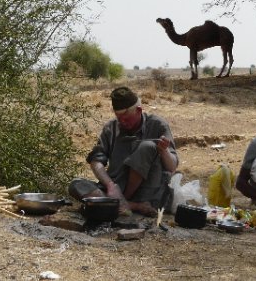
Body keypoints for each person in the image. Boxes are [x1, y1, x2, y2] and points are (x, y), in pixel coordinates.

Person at [68, 86, 178, 217]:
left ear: (139, 110)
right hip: (116, 188)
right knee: (76, 185)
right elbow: (96, 161)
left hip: (147, 192)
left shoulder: (158, 125)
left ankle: (116, 203)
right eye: (119, 118)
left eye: (126, 118)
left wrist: (164, 151)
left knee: (147, 146)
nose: (123, 122)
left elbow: (172, 167)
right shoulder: (111, 128)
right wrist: (110, 186)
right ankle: (130, 205)